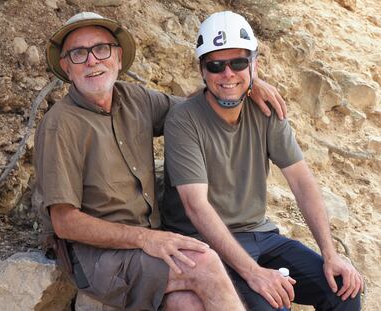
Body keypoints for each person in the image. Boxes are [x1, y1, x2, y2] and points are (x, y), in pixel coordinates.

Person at [33, 11, 286, 311]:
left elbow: (195, 112)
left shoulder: (134, 98)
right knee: (203, 261)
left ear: (117, 56)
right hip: (97, 257)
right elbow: (65, 223)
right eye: (78, 54)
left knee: (187, 304)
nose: (92, 61)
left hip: (146, 246)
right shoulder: (59, 125)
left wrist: (245, 85)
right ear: (66, 66)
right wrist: (145, 239)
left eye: (101, 49)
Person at [162, 11, 364, 311]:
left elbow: (301, 181)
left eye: (239, 63)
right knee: (272, 304)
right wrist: (253, 273)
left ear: (254, 65)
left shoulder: (267, 111)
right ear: (202, 70)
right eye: (216, 65)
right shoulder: (183, 120)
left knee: (343, 291)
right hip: (208, 245)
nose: (227, 74)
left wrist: (331, 253)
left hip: (262, 234)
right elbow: (196, 206)